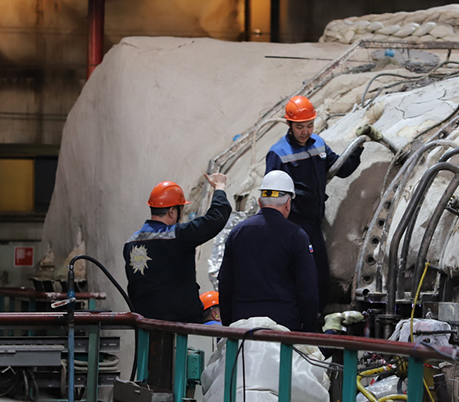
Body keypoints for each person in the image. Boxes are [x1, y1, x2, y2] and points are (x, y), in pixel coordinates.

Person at [265, 95, 363, 312]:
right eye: (300, 126)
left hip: (314, 224)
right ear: (289, 124)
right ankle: (293, 320)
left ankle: (316, 320)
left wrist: (358, 147)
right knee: (295, 276)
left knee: (319, 276)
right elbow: (271, 196)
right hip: (291, 225)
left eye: (309, 125)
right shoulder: (279, 153)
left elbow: (342, 169)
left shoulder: (319, 144)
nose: (305, 131)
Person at [218, 171, 318, 332]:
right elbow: (307, 288)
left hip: (242, 326)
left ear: (260, 201)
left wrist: (229, 323)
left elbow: (225, 283)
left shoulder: (237, 232)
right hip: (283, 327)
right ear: (288, 203)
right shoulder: (297, 236)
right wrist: (309, 327)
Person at [124, 173, 231, 323]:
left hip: (145, 324)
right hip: (178, 324)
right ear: (172, 211)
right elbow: (215, 218)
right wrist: (220, 187)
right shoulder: (177, 235)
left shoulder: (130, 243)